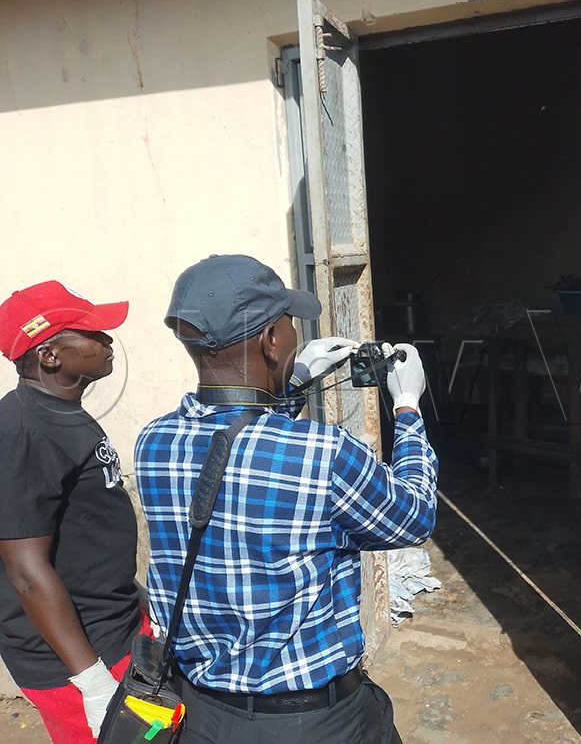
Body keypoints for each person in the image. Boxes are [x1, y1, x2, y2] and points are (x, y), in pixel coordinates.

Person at [134, 254, 438, 744]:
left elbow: (236, 451)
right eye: (288, 325)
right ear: (272, 341)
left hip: (202, 714)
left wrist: (293, 384)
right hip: (313, 723)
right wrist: (407, 407)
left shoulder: (154, 444)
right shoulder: (325, 453)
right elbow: (414, 516)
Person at [0, 281, 148, 744]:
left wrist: (135, 596)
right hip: (77, 660)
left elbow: (83, 532)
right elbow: (26, 571)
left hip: (112, 629)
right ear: (50, 356)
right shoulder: (24, 433)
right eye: (93, 333)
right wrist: (92, 680)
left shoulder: (60, 413)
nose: (107, 342)